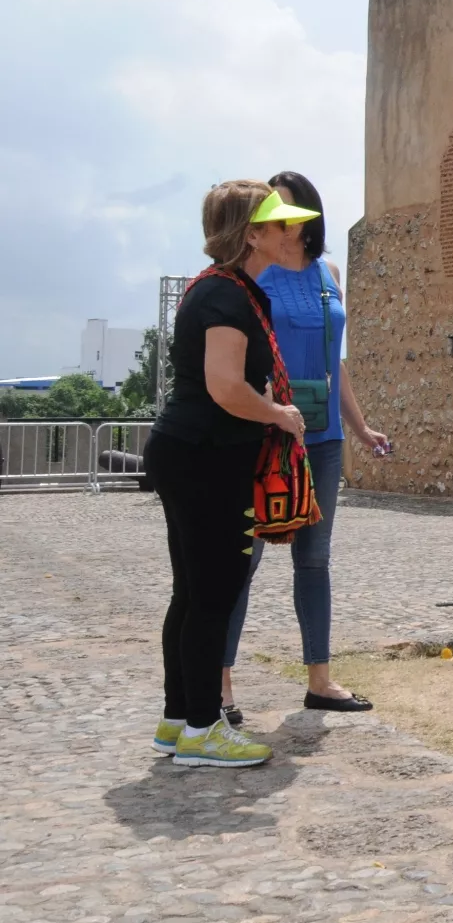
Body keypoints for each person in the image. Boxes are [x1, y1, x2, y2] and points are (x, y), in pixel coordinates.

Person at [145, 180, 318, 767]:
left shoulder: (228, 289)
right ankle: (201, 728)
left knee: (194, 593)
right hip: (204, 454)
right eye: (280, 223)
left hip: (193, 451)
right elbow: (224, 387)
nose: (293, 231)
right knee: (213, 592)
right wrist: (280, 414)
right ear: (253, 235)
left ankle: (179, 721)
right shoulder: (226, 297)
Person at [221, 171, 387, 720]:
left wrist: (359, 426)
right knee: (242, 560)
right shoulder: (251, 276)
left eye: (287, 214)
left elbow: (334, 360)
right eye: (270, 216)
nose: (279, 225)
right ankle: (220, 686)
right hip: (266, 433)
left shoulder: (328, 273)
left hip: (322, 437)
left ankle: (321, 678)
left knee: (315, 561)